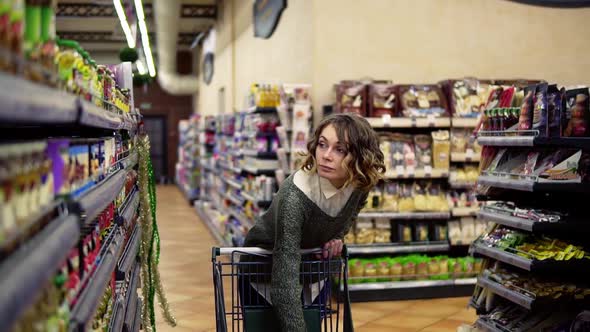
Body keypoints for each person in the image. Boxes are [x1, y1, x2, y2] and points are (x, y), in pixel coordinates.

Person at [242, 113, 386, 332]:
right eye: (322, 144)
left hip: (310, 272)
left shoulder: (360, 185)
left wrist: (337, 236)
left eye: (340, 149)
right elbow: (284, 278)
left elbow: (350, 213)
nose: (326, 156)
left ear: (360, 156)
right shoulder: (296, 194)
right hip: (264, 275)